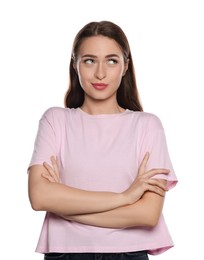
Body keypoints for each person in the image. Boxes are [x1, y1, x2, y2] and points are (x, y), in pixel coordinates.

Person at [28, 21, 178, 260]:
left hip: (128, 253)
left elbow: (148, 214)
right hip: (66, 253)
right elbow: (40, 197)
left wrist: (66, 209)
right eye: (89, 60)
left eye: (111, 60)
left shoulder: (147, 125)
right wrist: (125, 198)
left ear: (125, 66)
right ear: (75, 65)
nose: (100, 73)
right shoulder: (55, 120)